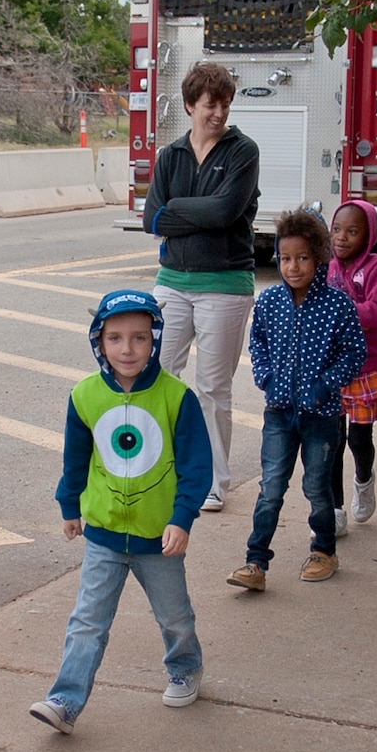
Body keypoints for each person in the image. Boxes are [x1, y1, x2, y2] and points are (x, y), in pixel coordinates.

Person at [32, 290, 211, 732]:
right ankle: (66, 701)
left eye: (139, 338)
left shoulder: (176, 397)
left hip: (159, 537)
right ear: (98, 342)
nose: (127, 349)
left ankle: (185, 667)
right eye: (114, 338)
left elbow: (196, 466)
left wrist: (181, 517)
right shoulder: (85, 396)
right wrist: (69, 505)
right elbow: (75, 459)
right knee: (87, 622)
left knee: (174, 616)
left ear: (155, 340)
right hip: (104, 535)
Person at [143, 61, 261, 512]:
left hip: (225, 285)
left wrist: (176, 210)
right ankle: (160, 468)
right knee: (159, 375)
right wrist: (186, 212)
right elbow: (151, 219)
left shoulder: (242, 152)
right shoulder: (170, 155)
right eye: (211, 104)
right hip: (171, 282)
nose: (219, 113)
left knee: (212, 388)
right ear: (190, 105)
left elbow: (225, 212)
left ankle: (214, 480)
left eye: (225, 104)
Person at [227, 210, 366, 591]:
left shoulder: (338, 306)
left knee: (317, 488)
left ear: (320, 257)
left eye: (302, 258)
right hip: (279, 413)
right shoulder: (270, 301)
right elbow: (258, 343)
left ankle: (324, 550)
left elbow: (353, 354)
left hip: (322, 416)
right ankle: (256, 562)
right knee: (271, 486)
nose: (293, 267)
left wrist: (325, 385)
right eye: (285, 258)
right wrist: (267, 377)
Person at [325, 199, 377, 534]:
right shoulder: (327, 265)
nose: (342, 237)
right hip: (330, 368)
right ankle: (334, 508)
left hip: (365, 367)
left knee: (358, 440)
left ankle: (364, 479)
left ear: (367, 236)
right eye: (337, 229)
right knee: (333, 439)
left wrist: (341, 311)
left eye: (352, 232)